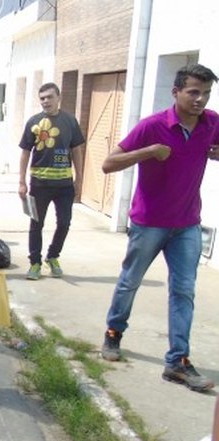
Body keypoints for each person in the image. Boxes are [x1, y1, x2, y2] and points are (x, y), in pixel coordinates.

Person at [100, 63, 219, 392]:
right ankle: (113, 333)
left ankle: (177, 362)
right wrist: (148, 152)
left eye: (206, 93)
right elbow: (108, 163)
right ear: (176, 91)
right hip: (149, 222)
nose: (200, 99)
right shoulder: (152, 126)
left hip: (187, 225)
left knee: (183, 291)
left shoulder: (211, 123)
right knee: (130, 282)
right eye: (193, 91)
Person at [18, 82, 84, 280]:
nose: (46, 101)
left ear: (58, 98)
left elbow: (76, 151)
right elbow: (25, 153)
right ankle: (35, 263)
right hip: (39, 184)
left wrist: (79, 178)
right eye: (42, 98)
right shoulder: (33, 122)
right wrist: (21, 181)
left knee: (64, 223)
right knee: (36, 224)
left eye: (49, 97)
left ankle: (53, 256)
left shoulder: (70, 121)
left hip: (64, 185)